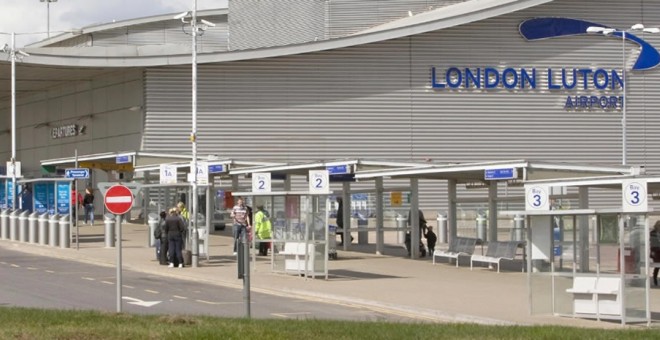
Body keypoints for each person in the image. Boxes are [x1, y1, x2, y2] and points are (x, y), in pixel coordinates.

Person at [651, 221, 660, 286]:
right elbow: (653, 243)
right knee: (657, 266)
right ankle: (654, 279)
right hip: (656, 251)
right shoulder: (653, 233)